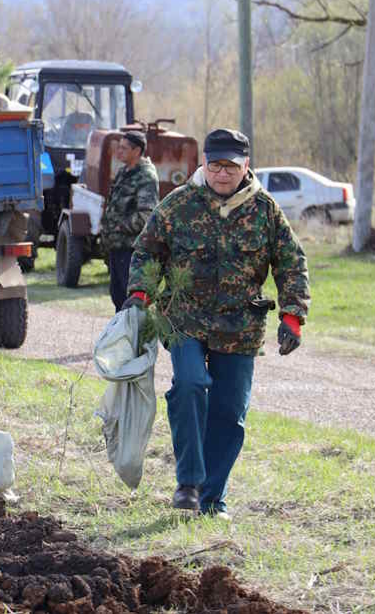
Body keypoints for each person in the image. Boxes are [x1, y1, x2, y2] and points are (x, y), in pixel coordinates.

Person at [123, 128, 310, 519]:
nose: (222, 174)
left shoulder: (265, 211)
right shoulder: (179, 205)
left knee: (229, 413)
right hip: (184, 318)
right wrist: (140, 294)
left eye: (231, 166)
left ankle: (212, 500)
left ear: (245, 167)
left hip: (240, 326)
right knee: (190, 385)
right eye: (215, 165)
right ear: (203, 164)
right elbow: (147, 250)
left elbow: (291, 263)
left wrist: (292, 317)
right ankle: (188, 483)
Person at [99, 130, 159, 313]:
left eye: (124, 148)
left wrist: (119, 226)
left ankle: (134, 338)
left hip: (132, 250)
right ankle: (122, 337)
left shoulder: (145, 176)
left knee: (131, 300)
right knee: (117, 296)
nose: (119, 152)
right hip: (117, 247)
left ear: (137, 151)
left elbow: (147, 215)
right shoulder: (124, 172)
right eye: (119, 147)